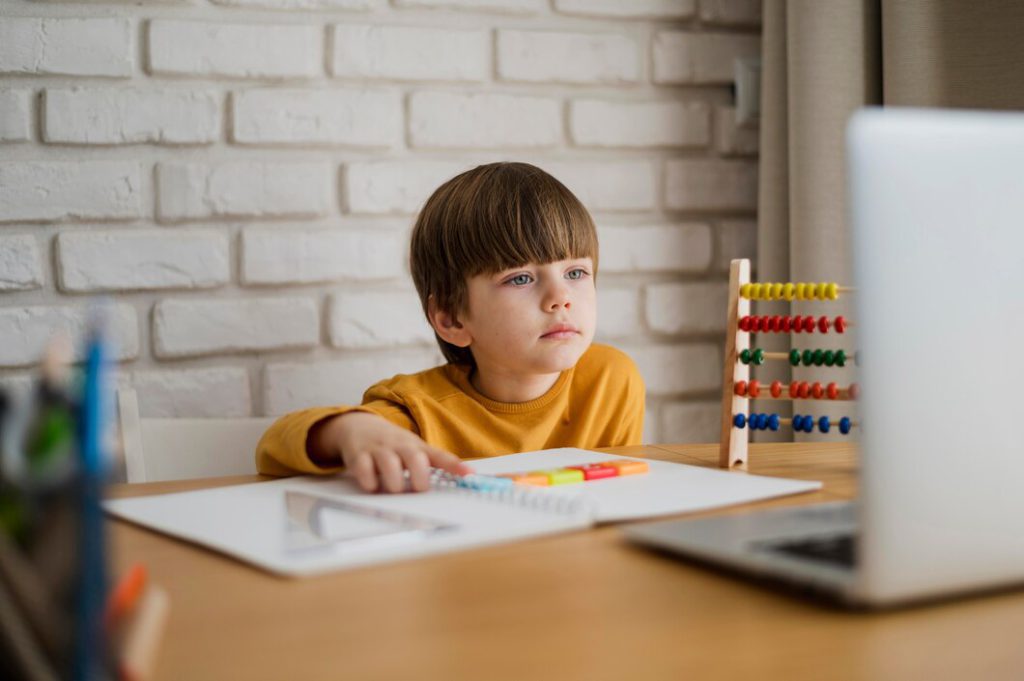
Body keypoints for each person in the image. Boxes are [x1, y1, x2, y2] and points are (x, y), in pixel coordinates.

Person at [256, 162, 645, 492]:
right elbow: (273, 449)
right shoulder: (419, 410)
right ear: (452, 319)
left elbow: (620, 497)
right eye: (521, 279)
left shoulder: (610, 379)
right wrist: (346, 432)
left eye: (575, 272)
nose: (561, 298)